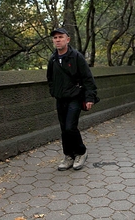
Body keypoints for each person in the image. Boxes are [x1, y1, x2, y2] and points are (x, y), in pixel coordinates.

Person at [47, 27, 98, 171]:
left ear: (67, 39)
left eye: (60, 37)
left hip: (75, 97)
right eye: (55, 38)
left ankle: (81, 152)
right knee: (64, 129)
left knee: (70, 127)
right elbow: (50, 78)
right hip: (60, 98)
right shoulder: (53, 59)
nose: (58, 40)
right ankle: (68, 155)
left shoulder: (76, 57)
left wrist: (89, 98)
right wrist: (53, 91)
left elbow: (88, 78)